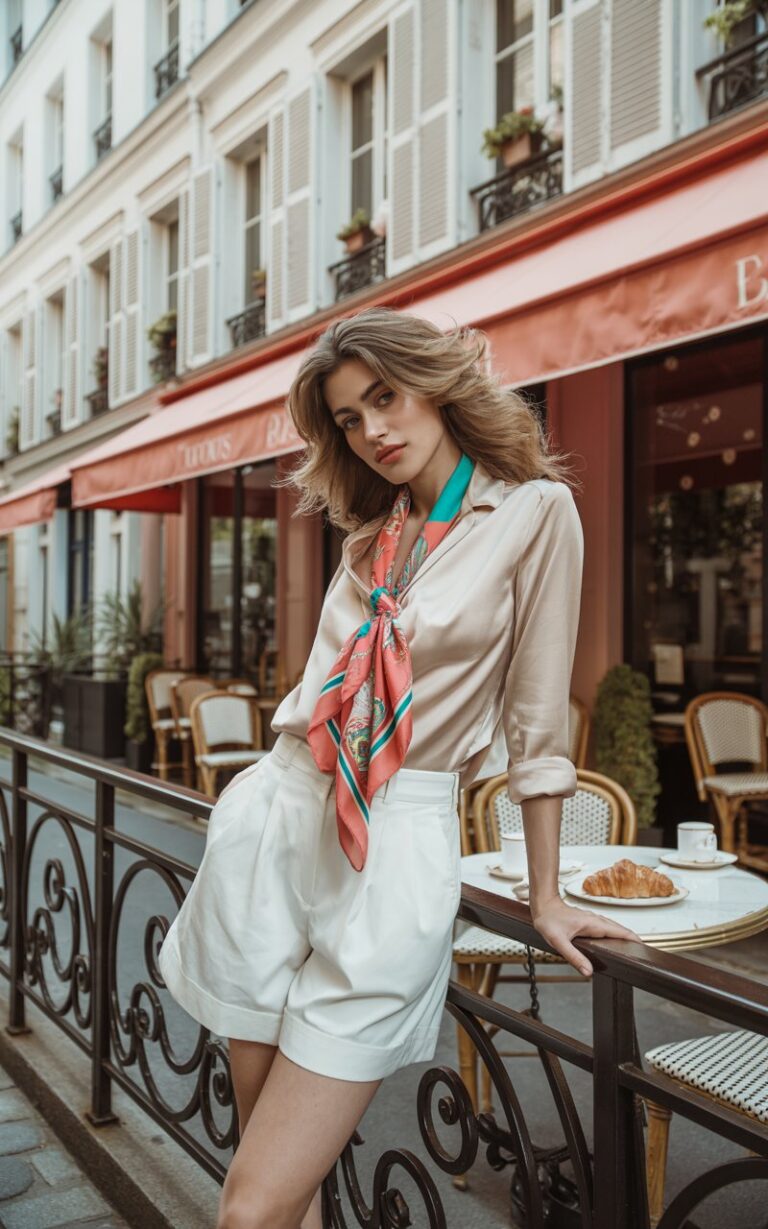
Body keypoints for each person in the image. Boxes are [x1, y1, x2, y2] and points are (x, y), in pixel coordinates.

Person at [158, 307, 640, 1229]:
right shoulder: (373, 537)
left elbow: (538, 720)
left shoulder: (534, 512)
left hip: (394, 846)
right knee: (275, 1194)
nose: (372, 429)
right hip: (277, 822)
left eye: (386, 396)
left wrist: (545, 895)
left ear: (439, 382)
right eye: (347, 417)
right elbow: (322, 692)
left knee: (247, 1209)